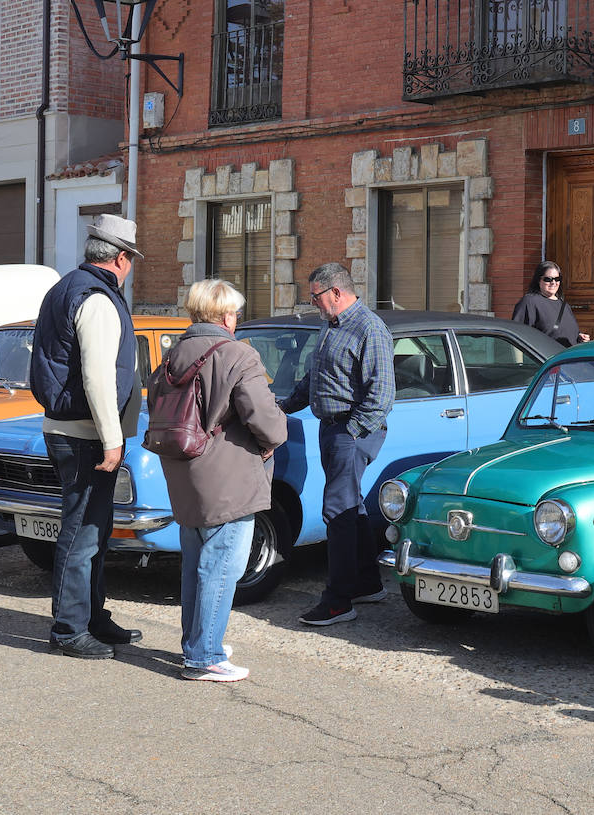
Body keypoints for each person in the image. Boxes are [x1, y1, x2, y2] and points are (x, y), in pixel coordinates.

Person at [149, 280, 287, 681]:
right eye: (236, 314)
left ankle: (196, 643)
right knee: (222, 566)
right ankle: (205, 655)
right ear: (227, 316)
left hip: (184, 469)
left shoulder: (173, 353)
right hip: (228, 475)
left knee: (196, 564)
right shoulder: (237, 354)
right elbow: (266, 419)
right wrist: (274, 436)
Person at [27, 214, 145, 659]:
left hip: (71, 429)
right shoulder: (95, 298)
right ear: (120, 258)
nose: (130, 266)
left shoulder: (68, 287)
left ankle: (92, 616)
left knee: (93, 528)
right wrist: (113, 439)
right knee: (81, 534)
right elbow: (97, 376)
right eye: (130, 259)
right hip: (84, 434)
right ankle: (69, 629)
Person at [280, 262, 394, 626]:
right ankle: (367, 582)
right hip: (331, 428)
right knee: (351, 505)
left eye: (315, 296)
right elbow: (316, 378)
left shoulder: (370, 328)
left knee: (337, 511)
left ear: (336, 293)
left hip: (351, 430)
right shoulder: (330, 327)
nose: (313, 303)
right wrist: (282, 405)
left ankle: (338, 601)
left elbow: (382, 394)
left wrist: (353, 432)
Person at [511, 261, 590, 346]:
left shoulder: (564, 305)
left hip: (567, 357)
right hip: (545, 358)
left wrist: (579, 338)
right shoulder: (530, 301)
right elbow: (517, 336)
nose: (553, 283)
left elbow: (566, 333)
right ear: (538, 280)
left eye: (557, 279)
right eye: (548, 279)